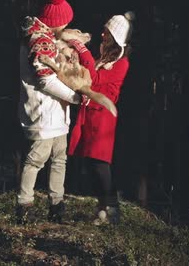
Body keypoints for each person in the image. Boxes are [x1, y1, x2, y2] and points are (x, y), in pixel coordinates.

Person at [17, 0, 84, 224]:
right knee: (35, 161)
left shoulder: (46, 39)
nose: (67, 24)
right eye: (65, 21)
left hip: (56, 115)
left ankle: (57, 206)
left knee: (59, 159)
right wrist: (74, 97)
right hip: (44, 113)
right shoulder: (40, 41)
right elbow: (45, 80)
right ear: (55, 22)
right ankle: (24, 207)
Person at [67, 12, 134, 225]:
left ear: (115, 35)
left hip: (103, 118)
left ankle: (112, 208)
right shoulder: (104, 58)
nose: (102, 33)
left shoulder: (121, 63)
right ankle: (103, 207)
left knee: (100, 163)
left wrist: (81, 48)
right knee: (90, 163)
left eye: (107, 31)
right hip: (91, 115)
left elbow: (95, 79)